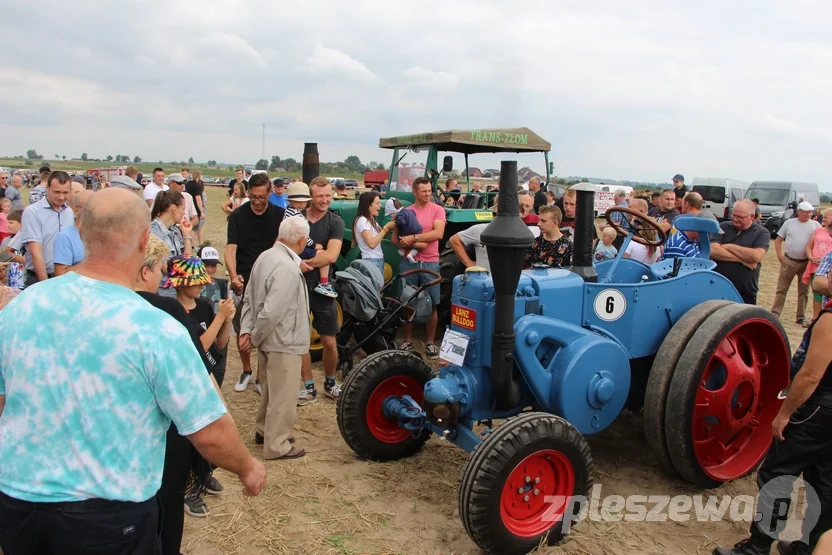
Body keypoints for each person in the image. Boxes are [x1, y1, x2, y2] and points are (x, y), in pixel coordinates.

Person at [0, 188, 266, 555]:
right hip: (107, 513)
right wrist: (248, 467)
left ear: (81, 233)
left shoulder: (23, 305)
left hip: (17, 503)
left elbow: (3, 400)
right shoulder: (155, 327)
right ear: (144, 242)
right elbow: (208, 431)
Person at [712, 299, 832, 555]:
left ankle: (757, 548)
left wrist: (785, 413)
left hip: (818, 407)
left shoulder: (831, 317)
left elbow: (811, 374)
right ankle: (809, 547)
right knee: (824, 477)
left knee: (778, 475)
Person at [133, 234, 218, 553]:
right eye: (158, 269)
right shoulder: (167, 309)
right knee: (167, 498)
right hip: (166, 427)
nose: (161, 277)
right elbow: (201, 367)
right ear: (145, 271)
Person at [164, 255, 235, 517]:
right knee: (190, 433)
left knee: (213, 421)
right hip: (187, 378)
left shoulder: (205, 306)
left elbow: (219, 345)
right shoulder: (173, 312)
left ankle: (204, 474)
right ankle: (188, 488)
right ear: (181, 284)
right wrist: (220, 319)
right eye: (196, 281)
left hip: (206, 374)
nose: (202, 285)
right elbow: (196, 349)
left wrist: (226, 321)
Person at [240, 216, 312, 460]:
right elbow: (272, 311)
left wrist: (249, 331)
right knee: (284, 394)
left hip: (271, 338)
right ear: (301, 241)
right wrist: (255, 336)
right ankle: (277, 444)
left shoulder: (265, 257)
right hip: (283, 339)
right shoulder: (288, 268)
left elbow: (250, 296)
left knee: (271, 390)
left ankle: (265, 431)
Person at [226, 173, 284, 393]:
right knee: (243, 328)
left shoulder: (280, 215)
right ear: (247, 193)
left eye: (262, 197)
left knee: (265, 331)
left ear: (270, 192)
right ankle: (246, 369)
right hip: (244, 278)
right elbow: (230, 249)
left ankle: (260, 376)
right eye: (253, 197)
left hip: (270, 279)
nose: (258, 202)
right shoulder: (238, 216)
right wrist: (233, 276)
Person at [298, 177, 345, 402]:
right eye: (320, 196)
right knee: (300, 340)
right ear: (311, 196)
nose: (325, 200)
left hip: (322, 287)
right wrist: (315, 255)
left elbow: (332, 255)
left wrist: (301, 261)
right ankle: (308, 388)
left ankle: (330, 382)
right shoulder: (297, 220)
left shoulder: (335, 222)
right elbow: (284, 249)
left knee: (329, 341)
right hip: (297, 286)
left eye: (328, 195)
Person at [393, 176, 446, 359]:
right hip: (409, 262)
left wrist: (414, 239)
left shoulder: (437, 210)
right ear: (414, 192)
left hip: (430, 261)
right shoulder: (407, 211)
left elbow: (438, 233)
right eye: (423, 191)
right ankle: (407, 340)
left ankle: (430, 342)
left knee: (431, 303)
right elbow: (398, 239)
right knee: (407, 301)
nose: (427, 194)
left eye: (429, 190)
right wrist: (404, 242)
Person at [19, 170, 76, 287]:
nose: (61, 197)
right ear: (47, 189)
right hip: (38, 279)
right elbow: (36, 252)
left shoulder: (70, 213)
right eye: (57, 192)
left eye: (65, 192)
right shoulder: (33, 212)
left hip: (64, 278)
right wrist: (45, 286)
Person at [710, 199, 770, 305]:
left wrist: (728, 246)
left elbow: (756, 256)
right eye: (734, 215)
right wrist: (742, 260)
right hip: (718, 287)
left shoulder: (762, 233)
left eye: (740, 217)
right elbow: (713, 250)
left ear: (752, 216)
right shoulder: (723, 227)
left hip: (745, 291)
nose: (735, 219)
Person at [284, 182, 337, 298]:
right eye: (319, 196)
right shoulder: (296, 215)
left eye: (328, 195)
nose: (302, 203)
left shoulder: (288, 212)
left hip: (292, 250)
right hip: (297, 250)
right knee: (323, 254)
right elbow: (303, 236)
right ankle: (324, 283)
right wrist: (313, 246)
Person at [772, 201, 820, 326]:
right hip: (789, 260)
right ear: (798, 212)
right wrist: (780, 256)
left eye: (810, 212)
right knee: (782, 289)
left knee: (804, 291)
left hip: (806, 263)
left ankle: (800, 317)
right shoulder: (789, 223)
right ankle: (775, 314)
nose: (808, 214)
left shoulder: (815, 225)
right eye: (805, 212)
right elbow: (778, 240)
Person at [198, 244, 230, 388]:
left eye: (213, 265)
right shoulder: (193, 286)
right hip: (202, 330)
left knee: (218, 368)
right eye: (206, 265)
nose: (210, 269)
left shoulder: (221, 284)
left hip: (220, 331)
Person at [151, 190, 194, 296]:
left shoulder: (174, 230)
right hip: (163, 291)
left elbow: (188, 259)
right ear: (174, 209)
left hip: (177, 288)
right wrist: (185, 267)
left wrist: (186, 234)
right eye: (183, 209)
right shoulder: (154, 232)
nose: (184, 213)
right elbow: (167, 268)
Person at [450, 194, 500, 272]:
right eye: (495, 214)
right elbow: (454, 240)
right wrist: (469, 263)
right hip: (484, 280)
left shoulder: (520, 231)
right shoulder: (481, 230)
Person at [353, 191, 395, 275]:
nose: (380, 205)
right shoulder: (362, 221)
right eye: (377, 203)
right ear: (369, 206)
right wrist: (386, 228)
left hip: (378, 259)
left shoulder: (371, 220)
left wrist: (391, 225)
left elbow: (382, 235)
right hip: (371, 261)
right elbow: (371, 244)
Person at [53, 189, 93, 276]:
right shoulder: (65, 237)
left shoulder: (103, 234)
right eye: (89, 207)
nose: (95, 210)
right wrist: (92, 262)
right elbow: (61, 274)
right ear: (76, 211)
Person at [804, 209, 832, 321]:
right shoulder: (830, 256)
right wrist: (811, 257)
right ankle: (816, 317)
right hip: (828, 317)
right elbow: (818, 284)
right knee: (817, 295)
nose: (830, 234)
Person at [622, 198, 662, 265]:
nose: (627, 211)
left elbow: (623, 263)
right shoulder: (652, 233)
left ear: (641, 211)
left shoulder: (632, 243)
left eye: (630, 208)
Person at [187, 171, 207, 245]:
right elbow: (198, 198)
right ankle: (192, 245)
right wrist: (201, 211)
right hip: (195, 208)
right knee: (194, 229)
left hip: (188, 207)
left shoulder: (187, 184)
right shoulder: (197, 186)